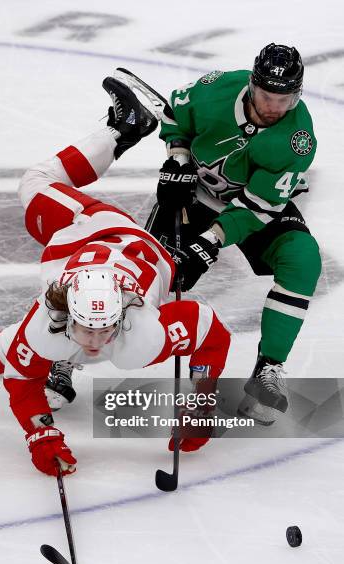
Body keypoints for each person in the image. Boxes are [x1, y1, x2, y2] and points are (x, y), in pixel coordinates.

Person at [0, 78, 231, 477]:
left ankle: (121, 129)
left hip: (136, 254)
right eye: (88, 329)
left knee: (31, 347)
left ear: (124, 316)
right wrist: (41, 435)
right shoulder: (47, 321)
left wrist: (203, 400)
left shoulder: (144, 333)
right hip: (89, 229)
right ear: (66, 312)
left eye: (105, 331)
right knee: (12, 342)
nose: (97, 343)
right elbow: (19, 378)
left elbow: (211, 336)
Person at [148, 43, 320, 413]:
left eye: (285, 99)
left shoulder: (296, 139)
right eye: (266, 96)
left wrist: (210, 243)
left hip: (250, 205)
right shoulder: (218, 88)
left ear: (297, 95)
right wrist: (177, 158)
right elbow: (174, 112)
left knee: (302, 259)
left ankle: (268, 368)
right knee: (146, 278)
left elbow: (258, 207)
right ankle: (68, 351)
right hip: (193, 195)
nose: (274, 108)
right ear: (252, 85)